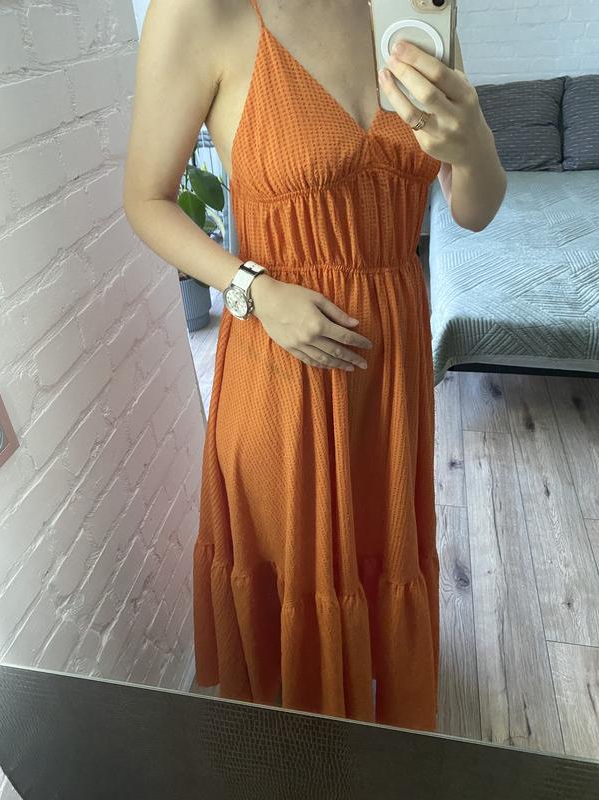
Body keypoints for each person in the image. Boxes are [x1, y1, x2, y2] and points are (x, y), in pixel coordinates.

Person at [124, 0, 506, 731]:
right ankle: (299, 758)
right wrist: (251, 289)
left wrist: (475, 142)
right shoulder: (204, 12)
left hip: (391, 368)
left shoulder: (413, 8)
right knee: (293, 576)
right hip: (283, 368)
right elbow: (146, 200)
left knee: (378, 548)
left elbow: (473, 208)